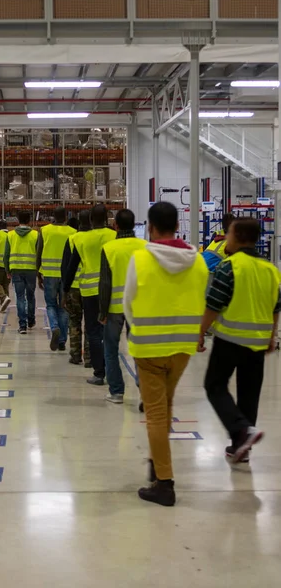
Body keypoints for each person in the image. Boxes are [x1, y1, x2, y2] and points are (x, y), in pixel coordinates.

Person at [124, 202, 208, 506]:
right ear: (177, 225)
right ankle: (157, 462)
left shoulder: (142, 258)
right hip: (182, 348)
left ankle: (164, 482)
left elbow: (128, 302)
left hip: (148, 349)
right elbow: (203, 299)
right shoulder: (198, 261)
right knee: (165, 406)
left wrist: (138, 329)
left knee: (156, 414)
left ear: (151, 226)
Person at [199, 217, 280, 464]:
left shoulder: (229, 267)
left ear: (239, 237)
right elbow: (276, 308)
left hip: (229, 340)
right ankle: (241, 447)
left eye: (229, 234)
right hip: (257, 342)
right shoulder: (271, 270)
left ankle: (241, 431)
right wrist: (272, 337)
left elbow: (213, 305)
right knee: (249, 394)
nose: (226, 239)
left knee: (214, 385)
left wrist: (200, 332)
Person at [63, 204, 116, 385]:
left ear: (91, 219)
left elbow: (71, 267)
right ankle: (112, 369)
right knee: (110, 332)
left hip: (90, 291)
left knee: (93, 331)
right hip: (112, 291)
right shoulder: (114, 236)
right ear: (108, 217)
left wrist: (65, 290)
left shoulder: (81, 240)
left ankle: (98, 372)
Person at [100, 208, 146, 403]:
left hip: (114, 308)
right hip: (139, 308)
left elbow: (105, 283)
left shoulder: (109, 248)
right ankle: (145, 390)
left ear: (115, 226)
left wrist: (102, 311)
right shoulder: (145, 247)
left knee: (110, 349)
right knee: (140, 351)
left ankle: (117, 392)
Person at [37, 206, 76, 351]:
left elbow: (39, 251)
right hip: (66, 275)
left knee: (51, 304)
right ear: (66, 217)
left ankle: (54, 327)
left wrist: (38, 273)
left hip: (49, 274)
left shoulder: (45, 230)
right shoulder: (73, 232)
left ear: (53, 216)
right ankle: (62, 341)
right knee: (63, 306)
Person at [61, 210, 91, 367]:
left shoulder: (72, 239)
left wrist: (64, 291)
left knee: (74, 320)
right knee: (91, 324)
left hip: (73, 287)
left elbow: (66, 266)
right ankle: (89, 357)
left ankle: (75, 354)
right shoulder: (97, 239)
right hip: (92, 287)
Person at [5, 211, 38, 334]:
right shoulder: (35, 235)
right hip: (31, 270)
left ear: (18, 220)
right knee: (30, 296)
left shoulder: (11, 235)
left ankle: (22, 325)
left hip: (16, 269)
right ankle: (31, 320)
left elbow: (6, 254)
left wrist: (8, 270)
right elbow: (39, 253)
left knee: (20, 297)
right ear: (29, 220)